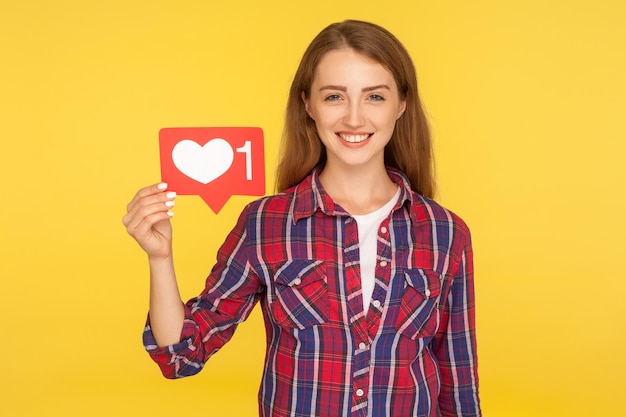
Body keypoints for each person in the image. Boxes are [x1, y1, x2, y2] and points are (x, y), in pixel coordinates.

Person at [123, 19, 481, 417]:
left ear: (402, 104)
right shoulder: (266, 224)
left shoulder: (446, 233)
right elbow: (182, 356)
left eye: (374, 97)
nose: (355, 118)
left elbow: (458, 386)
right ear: (308, 104)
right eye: (335, 97)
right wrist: (160, 257)